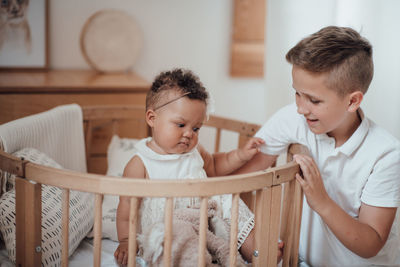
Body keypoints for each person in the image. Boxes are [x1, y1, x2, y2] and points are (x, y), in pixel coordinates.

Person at [236, 26, 400, 266]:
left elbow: (371, 244)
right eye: (297, 94)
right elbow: (245, 176)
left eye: (314, 100)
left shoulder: (385, 154)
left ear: (352, 101)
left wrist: (321, 201)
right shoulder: (294, 118)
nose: (301, 108)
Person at [114, 68, 266, 266]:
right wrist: (126, 240)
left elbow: (215, 167)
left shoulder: (194, 152)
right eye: (180, 125)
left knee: (228, 199)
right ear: (152, 118)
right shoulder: (140, 163)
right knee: (179, 245)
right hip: (166, 230)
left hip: (204, 223)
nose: (189, 134)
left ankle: (257, 250)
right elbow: (126, 209)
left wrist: (241, 155)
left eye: (196, 128)